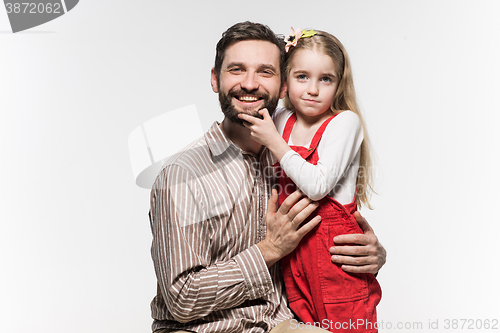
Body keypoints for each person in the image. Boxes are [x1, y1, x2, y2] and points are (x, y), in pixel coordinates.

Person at [149, 21, 386, 333]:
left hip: (281, 324)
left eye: (265, 72)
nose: (250, 83)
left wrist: (370, 254)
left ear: (283, 86)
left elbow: (323, 225)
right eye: (236, 70)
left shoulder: (291, 160)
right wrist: (271, 249)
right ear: (214, 79)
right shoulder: (183, 175)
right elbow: (181, 300)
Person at [238, 29, 381, 332]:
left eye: (325, 79)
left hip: (334, 255)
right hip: (292, 253)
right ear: (285, 82)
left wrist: (275, 143)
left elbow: (317, 186)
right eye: (302, 76)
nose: (313, 89)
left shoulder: (344, 122)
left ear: (338, 83)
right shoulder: (279, 120)